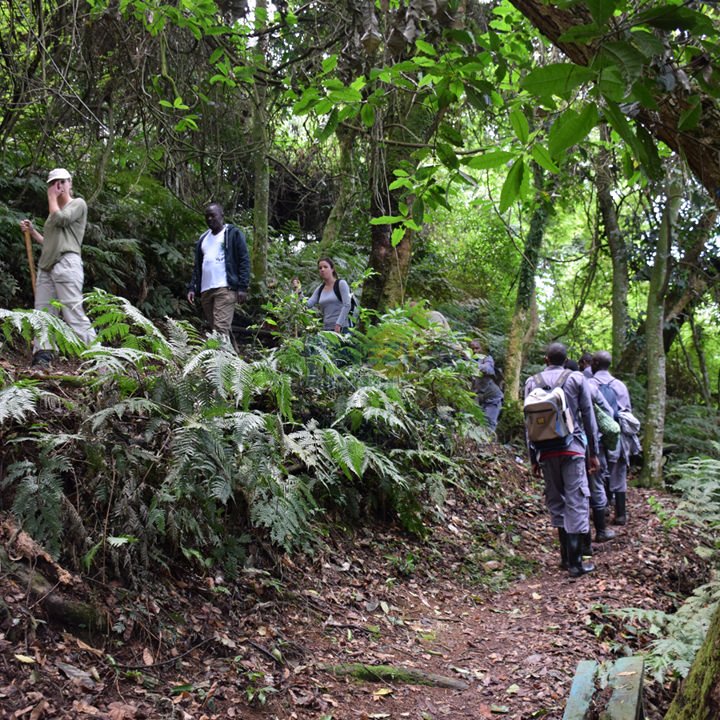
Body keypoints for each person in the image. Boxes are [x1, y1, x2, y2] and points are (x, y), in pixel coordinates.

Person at [524, 342, 601, 578]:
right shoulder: (577, 379)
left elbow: (527, 424)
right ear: (566, 359)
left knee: (556, 499)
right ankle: (576, 563)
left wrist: (533, 457)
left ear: (546, 359)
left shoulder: (531, 382)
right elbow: (588, 415)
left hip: (545, 451)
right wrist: (594, 453)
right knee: (576, 499)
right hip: (573, 449)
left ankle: (564, 557)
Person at [19, 168, 97, 367]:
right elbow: (50, 242)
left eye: (62, 182)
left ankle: (100, 361)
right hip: (47, 267)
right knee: (43, 314)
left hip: (67, 264)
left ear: (70, 183)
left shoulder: (78, 204)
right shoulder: (51, 216)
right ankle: (43, 357)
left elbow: (62, 220)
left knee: (73, 313)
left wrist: (51, 198)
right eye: (54, 183)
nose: (58, 186)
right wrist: (33, 232)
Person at [187, 203, 250, 340]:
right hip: (206, 289)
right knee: (217, 328)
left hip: (225, 288)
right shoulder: (203, 238)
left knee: (220, 329)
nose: (210, 219)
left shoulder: (233, 234)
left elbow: (244, 260)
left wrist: (242, 287)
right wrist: (192, 287)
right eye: (207, 216)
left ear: (222, 216)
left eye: (213, 215)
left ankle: (222, 360)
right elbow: (198, 266)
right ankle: (233, 357)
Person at [589, 350, 634, 525]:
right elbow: (626, 411)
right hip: (618, 435)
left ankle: (603, 508)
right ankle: (621, 514)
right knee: (619, 472)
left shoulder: (589, 384)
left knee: (598, 470)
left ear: (595, 364)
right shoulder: (620, 385)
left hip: (597, 434)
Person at [306, 257, 352, 332]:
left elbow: (347, 305)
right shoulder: (320, 288)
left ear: (332, 269)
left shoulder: (341, 284)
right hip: (326, 329)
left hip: (342, 328)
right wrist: (298, 292)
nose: (322, 270)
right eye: (320, 268)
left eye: (325, 267)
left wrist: (338, 324)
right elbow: (308, 304)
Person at [469, 339, 504, 432]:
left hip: (493, 398)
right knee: (475, 422)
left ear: (482, 349)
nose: (475, 351)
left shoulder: (487, 358)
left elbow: (488, 369)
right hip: (478, 396)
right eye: (472, 349)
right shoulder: (466, 361)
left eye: (477, 348)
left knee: (489, 423)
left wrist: (471, 362)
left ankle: (489, 444)